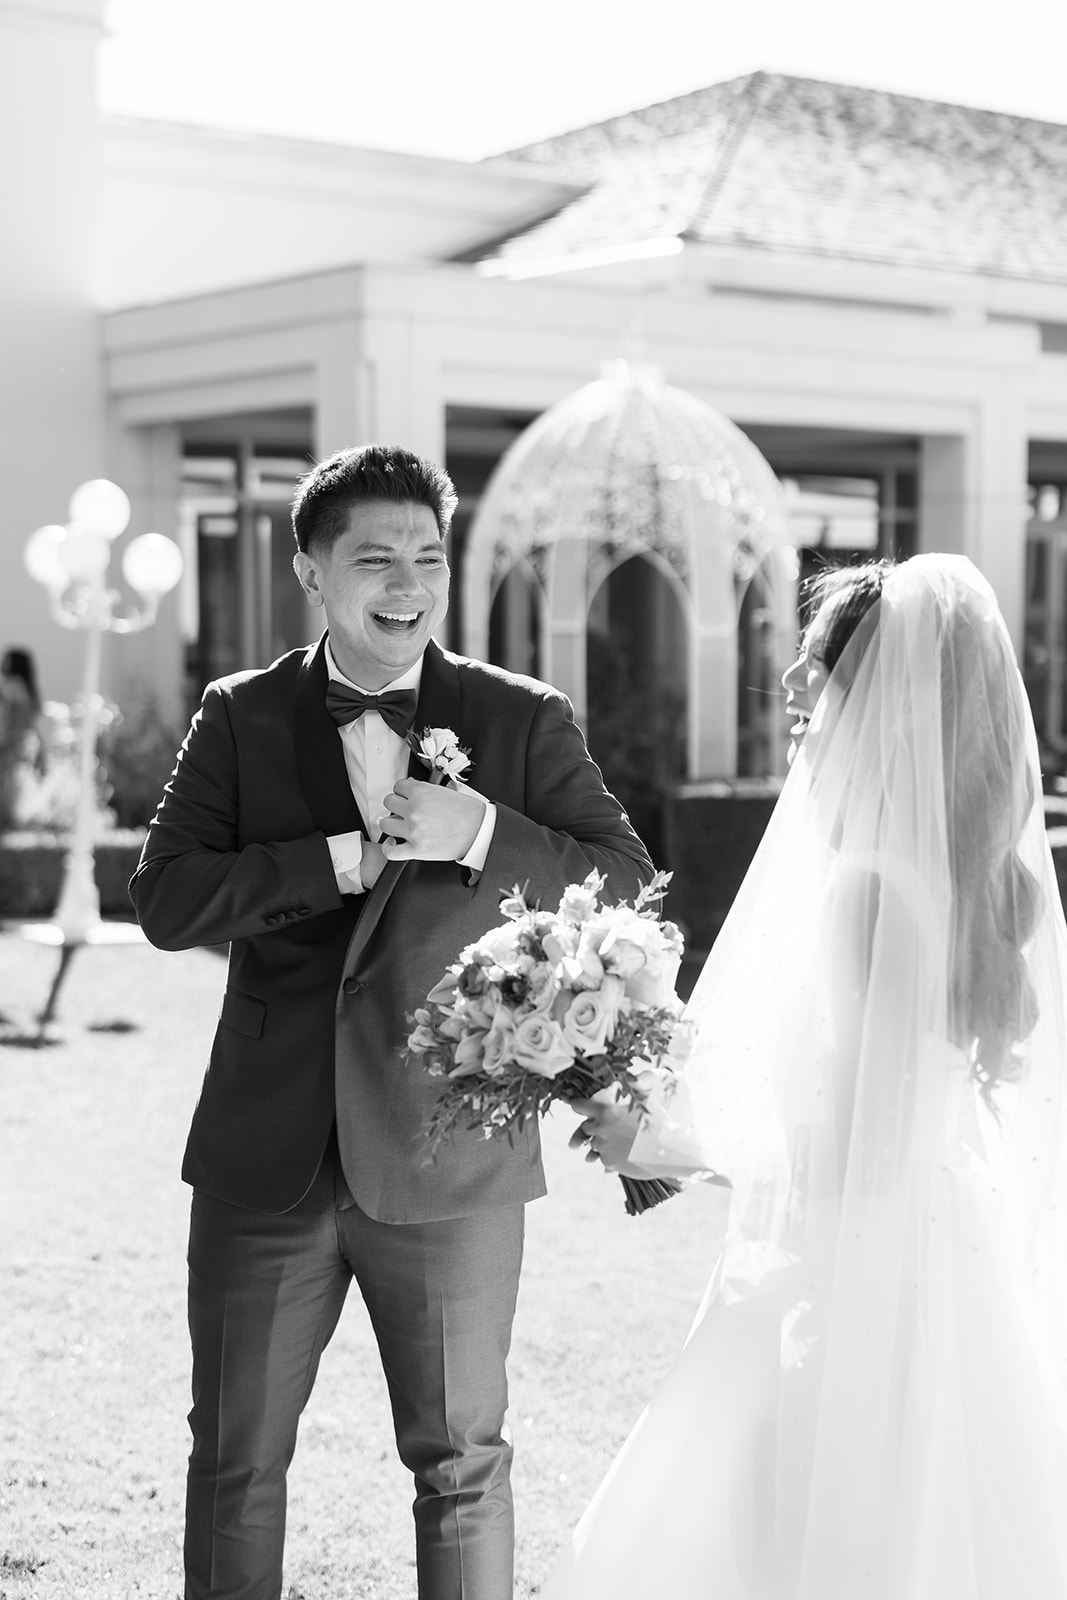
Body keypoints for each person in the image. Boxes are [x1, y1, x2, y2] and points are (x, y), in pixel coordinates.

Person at [129, 443, 653, 1600]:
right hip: (267, 1157)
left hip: (449, 1155)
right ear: (311, 569)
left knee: (463, 1463)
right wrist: (328, 860)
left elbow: (623, 879)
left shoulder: (521, 718)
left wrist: (479, 832)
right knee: (233, 1460)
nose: (406, 581)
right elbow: (163, 898)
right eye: (374, 558)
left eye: (427, 556)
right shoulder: (238, 716)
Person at [556, 553, 1067, 1599]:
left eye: (815, 667)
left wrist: (663, 1142)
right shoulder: (960, 880)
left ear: (882, 698)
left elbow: (849, 1152)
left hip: (860, 1276)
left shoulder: (867, 891)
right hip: (938, 1256)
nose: (790, 685)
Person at [0, 645, 47, 828]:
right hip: (27, 746)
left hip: (9, 747)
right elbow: (32, 722)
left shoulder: (11, 687)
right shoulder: (29, 690)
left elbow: (5, 720)